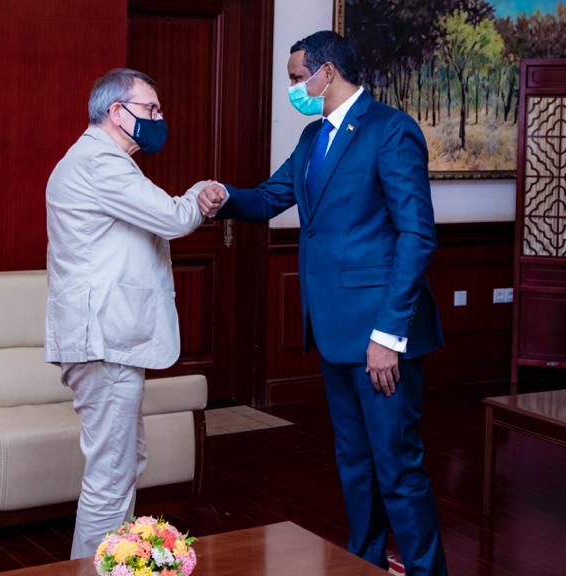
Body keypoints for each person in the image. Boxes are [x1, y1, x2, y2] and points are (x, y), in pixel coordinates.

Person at [199, 31, 448, 576]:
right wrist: (226, 197)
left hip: (382, 336)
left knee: (397, 467)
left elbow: (416, 235)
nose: (293, 88)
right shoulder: (314, 136)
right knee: (355, 463)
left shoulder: (391, 130)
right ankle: (365, 564)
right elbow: (271, 197)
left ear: (326, 72)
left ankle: (427, 571)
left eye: (296, 77)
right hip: (334, 331)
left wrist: (388, 335)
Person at [45, 68, 204, 559]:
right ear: (117, 112)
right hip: (104, 343)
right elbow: (172, 218)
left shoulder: (98, 160)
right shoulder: (100, 162)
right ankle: (95, 570)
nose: (159, 118)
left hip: (104, 341)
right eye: (150, 109)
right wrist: (202, 194)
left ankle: (115, 563)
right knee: (111, 477)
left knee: (124, 463)